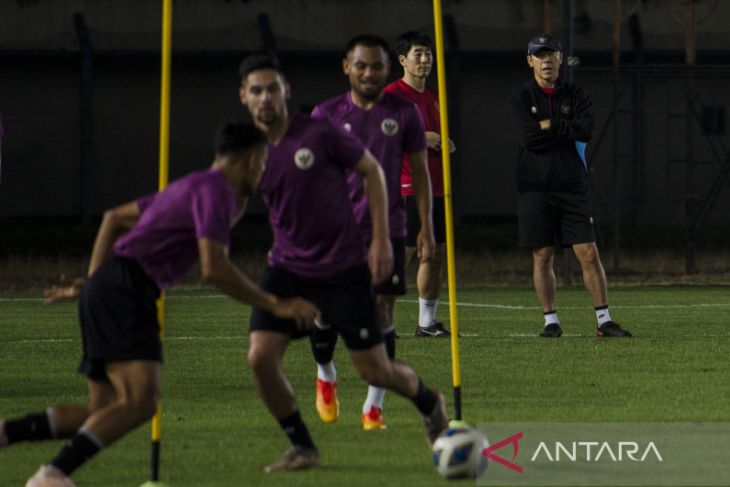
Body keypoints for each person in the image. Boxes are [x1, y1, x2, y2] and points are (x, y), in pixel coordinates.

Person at [0, 122, 320, 487]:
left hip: (112, 285)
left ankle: (7, 434)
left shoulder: (191, 186)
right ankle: (52, 475)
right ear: (251, 160)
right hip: (128, 289)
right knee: (141, 401)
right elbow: (214, 268)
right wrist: (275, 304)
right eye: (262, 164)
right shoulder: (218, 192)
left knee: (104, 412)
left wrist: (95, 281)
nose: (263, 174)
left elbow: (114, 218)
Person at [238, 53, 448, 473]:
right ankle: (302, 445)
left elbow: (373, 171)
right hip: (287, 267)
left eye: (272, 89)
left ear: (286, 92)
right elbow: (219, 200)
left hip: (341, 264)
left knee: (375, 368)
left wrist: (383, 239)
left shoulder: (318, 132)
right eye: (256, 91)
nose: (265, 98)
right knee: (260, 357)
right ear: (243, 96)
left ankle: (430, 402)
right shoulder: (247, 149)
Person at [309, 34, 434, 431]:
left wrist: (426, 225)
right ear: (347, 67)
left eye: (376, 66)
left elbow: (419, 172)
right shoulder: (325, 114)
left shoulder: (405, 113)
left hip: (389, 229)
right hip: (335, 233)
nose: (369, 73)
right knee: (325, 314)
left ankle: (374, 405)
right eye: (361, 65)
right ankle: (326, 374)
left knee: (383, 312)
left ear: (387, 69)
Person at [509, 33, 631, 338]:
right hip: (534, 187)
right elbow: (528, 138)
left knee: (589, 251)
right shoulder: (521, 98)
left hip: (573, 186)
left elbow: (586, 130)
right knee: (542, 254)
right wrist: (564, 129)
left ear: (561, 59)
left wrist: (551, 124)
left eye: (551, 55)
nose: (546, 60)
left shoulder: (576, 94)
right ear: (530, 61)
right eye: (540, 55)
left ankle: (604, 320)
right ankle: (551, 321)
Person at [384, 31, 455, 338]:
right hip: (406, 185)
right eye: (418, 54)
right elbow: (379, 138)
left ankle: (426, 322)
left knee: (435, 252)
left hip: (436, 186)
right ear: (402, 60)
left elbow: (437, 137)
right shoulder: (391, 96)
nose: (425, 60)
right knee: (406, 251)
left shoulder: (434, 95)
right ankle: (379, 320)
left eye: (428, 54)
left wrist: (445, 142)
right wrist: (419, 138)